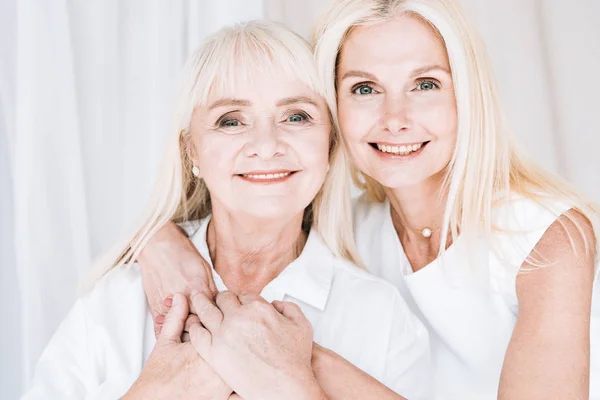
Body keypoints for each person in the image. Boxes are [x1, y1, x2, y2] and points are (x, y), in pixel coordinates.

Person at [141, 0, 600, 398]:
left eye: (425, 84)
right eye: (365, 88)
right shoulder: (349, 227)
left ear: (468, 93)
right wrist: (158, 243)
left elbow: (275, 356)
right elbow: (230, 201)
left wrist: (293, 360)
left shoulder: (549, 237)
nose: (394, 118)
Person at [21, 21, 431, 400]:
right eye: (231, 121)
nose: (267, 144)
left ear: (330, 146)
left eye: (296, 116)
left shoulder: (381, 316)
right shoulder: (115, 301)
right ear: (191, 150)